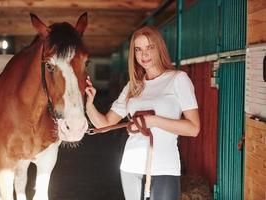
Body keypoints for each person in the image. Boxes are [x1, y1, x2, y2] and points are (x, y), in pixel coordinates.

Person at [85, 25, 200, 200]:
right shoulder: (133, 86)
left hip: (164, 167)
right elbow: (105, 124)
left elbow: (193, 128)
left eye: (149, 48)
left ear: (159, 48)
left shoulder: (178, 79)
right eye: (138, 49)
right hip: (131, 167)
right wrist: (89, 104)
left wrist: (154, 121)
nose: (143, 54)